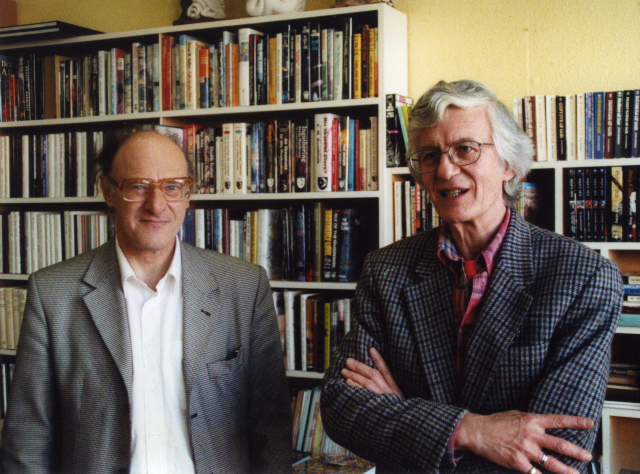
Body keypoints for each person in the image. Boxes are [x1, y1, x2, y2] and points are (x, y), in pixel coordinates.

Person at [321, 80, 623, 474]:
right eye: (430, 155)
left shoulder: (584, 277)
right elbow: (341, 407)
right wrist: (473, 430)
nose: (445, 170)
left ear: (508, 164)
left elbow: (556, 453)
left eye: (465, 149)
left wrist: (405, 416)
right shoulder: (386, 270)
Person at [0, 128, 292, 473]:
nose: (157, 205)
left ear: (188, 195)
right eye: (138, 186)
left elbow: (272, 430)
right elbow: (28, 442)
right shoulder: (52, 294)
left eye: (173, 187)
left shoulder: (243, 287)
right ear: (108, 191)